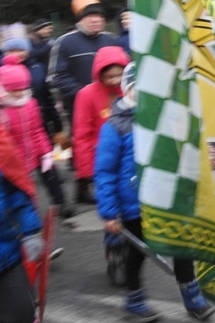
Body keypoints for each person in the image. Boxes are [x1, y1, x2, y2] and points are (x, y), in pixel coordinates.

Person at [95, 62, 215, 322]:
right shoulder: (114, 126)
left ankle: (192, 296)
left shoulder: (168, 118)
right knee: (136, 256)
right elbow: (104, 172)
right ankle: (134, 300)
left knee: (183, 248)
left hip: (169, 200)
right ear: (128, 89)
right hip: (133, 206)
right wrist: (108, 212)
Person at [0, 54, 73, 219]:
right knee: (22, 186)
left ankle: (61, 202)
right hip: (15, 157)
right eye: (14, 90)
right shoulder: (3, 110)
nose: (19, 94)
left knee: (51, 175)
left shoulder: (31, 103)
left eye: (22, 89)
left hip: (36, 148)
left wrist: (46, 151)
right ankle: (29, 214)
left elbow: (37, 129)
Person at [47, 0, 119, 124]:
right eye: (90, 16)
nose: (95, 20)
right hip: (79, 107)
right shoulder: (65, 42)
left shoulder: (111, 39)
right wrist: (85, 93)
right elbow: (56, 77)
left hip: (113, 104)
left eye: (99, 16)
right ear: (80, 20)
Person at [72, 45, 130, 204]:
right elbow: (81, 134)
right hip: (103, 158)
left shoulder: (130, 91)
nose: (115, 80)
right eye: (109, 76)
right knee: (109, 199)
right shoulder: (86, 95)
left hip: (128, 156)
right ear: (100, 74)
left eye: (119, 75)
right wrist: (86, 169)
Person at [0, 125, 44, 323]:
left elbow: (17, 192)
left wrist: (30, 231)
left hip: (6, 255)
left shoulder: (1, 147)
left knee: (23, 313)